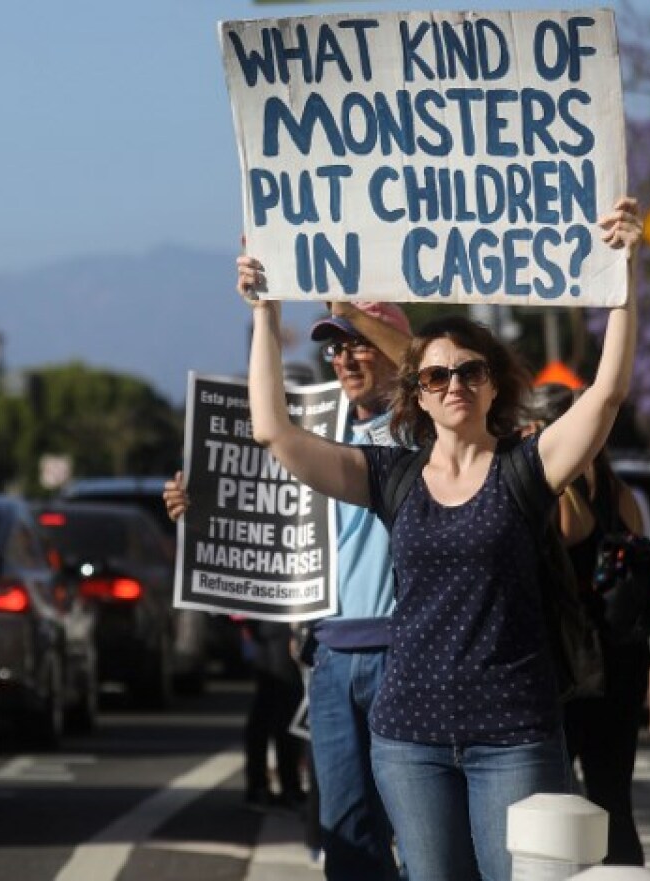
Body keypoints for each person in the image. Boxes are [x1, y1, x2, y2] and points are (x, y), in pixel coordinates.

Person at [236, 196, 643, 881]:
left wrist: (622, 277)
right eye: (436, 375)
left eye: (469, 371)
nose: (453, 384)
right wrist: (265, 309)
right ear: (417, 393)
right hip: (409, 738)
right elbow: (276, 433)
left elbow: (604, 397)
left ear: (491, 386)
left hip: (513, 733)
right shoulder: (392, 476)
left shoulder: (525, 467)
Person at [165, 298, 412, 880]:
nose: (345, 359)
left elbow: (422, 368)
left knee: (423, 830)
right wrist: (201, 512)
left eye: (361, 344)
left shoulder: (425, 434)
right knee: (347, 836)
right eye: (335, 348)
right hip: (329, 656)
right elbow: (268, 490)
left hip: (405, 652)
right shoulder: (318, 439)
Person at [526, 382, 650, 867]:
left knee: (555, 798)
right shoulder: (620, 491)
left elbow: (563, 538)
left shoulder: (562, 492)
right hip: (622, 660)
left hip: (576, 665)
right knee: (612, 799)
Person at [241, 618, 307, 811]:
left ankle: (262, 784)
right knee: (282, 702)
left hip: (268, 621)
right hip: (275, 621)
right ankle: (285, 786)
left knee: (270, 702)